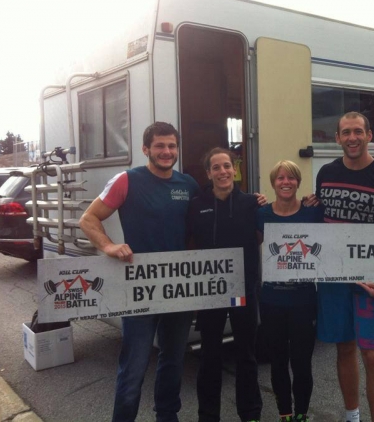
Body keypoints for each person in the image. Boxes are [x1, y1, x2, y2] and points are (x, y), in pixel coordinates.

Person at [79, 121, 199, 422]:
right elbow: (89, 219)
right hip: (138, 288)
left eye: (171, 146)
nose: (166, 151)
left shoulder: (188, 185)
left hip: (178, 288)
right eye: (159, 146)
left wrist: (254, 203)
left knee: (173, 361)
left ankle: (167, 416)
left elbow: (208, 218)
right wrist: (108, 246)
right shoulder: (126, 180)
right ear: (146, 149)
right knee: (133, 366)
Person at [315, 112, 374, 422]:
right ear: (337, 138)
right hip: (334, 277)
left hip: (372, 280)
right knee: (344, 349)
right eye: (345, 132)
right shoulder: (326, 173)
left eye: (357, 131)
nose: (351, 138)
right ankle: (352, 416)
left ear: (369, 135)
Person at [188, 147, 263, 422]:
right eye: (216, 167)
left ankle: (250, 413)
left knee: (246, 355)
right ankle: (208, 415)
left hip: (244, 289)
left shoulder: (252, 203)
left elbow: (264, 235)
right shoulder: (196, 206)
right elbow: (187, 243)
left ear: (235, 169)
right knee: (209, 355)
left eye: (227, 166)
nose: (223, 172)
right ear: (208, 173)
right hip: (211, 292)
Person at [257, 161, 323, 422]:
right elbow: (249, 245)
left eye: (291, 178)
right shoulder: (261, 214)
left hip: (303, 301)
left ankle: (301, 414)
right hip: (271, 300)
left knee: (302, 363)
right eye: (280, 178)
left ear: (298, 182)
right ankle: (284, 413)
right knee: (278, 362)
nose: (286, 182)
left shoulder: (312, 213)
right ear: (273, 183)